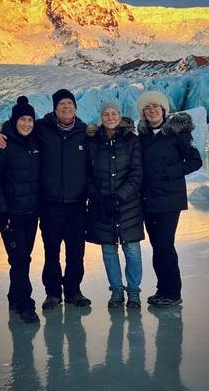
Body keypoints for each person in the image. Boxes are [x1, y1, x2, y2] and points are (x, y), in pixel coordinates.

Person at [0, 89, 91, 310]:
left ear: (75, 107)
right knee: (52, 251)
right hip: (50, 204)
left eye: (69, 103)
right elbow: (19, 129)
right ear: (55, 109)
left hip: (76, 204)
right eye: (61, 104)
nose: (66, 107)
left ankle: (74, 291)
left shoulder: (84, 132)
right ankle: (53, 293)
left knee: (76, 251)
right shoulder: (43, 129)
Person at [137, 91, 202, 308]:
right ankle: (162, 289)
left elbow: (195, 161)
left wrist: (169, 172)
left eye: (156, 106)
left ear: (164, 110)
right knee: (158, 247)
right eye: (147, 108)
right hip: (148, 200)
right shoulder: (143, 137)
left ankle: (173, 293)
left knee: (164, 245)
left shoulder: (178, 133)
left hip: (169, 200)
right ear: (143, 113)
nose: (152, 110)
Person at [0, 96, 40, 323]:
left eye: (30, 119)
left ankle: (13, 296)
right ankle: (25, 304)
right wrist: (2, 211)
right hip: (11, 214)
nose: (26, 123)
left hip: (31, 212)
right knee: (20, 259)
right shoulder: (3, 144)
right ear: (14, 120)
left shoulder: (36, 142)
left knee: (22, 257)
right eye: (22, 119)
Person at [86, 101, 144, 308]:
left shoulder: (132, 140)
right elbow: (88, 174)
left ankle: (134, 291)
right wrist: (97, 197)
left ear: (120, 115)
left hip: (128, 205)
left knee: (132, 249)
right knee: (109, 249)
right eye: (106, 114)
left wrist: (120, 196)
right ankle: (117, 291)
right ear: (101, 117)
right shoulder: (93, 141)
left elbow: (137, 174)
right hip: (101, 204)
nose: (110, 117)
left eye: (114, 113)